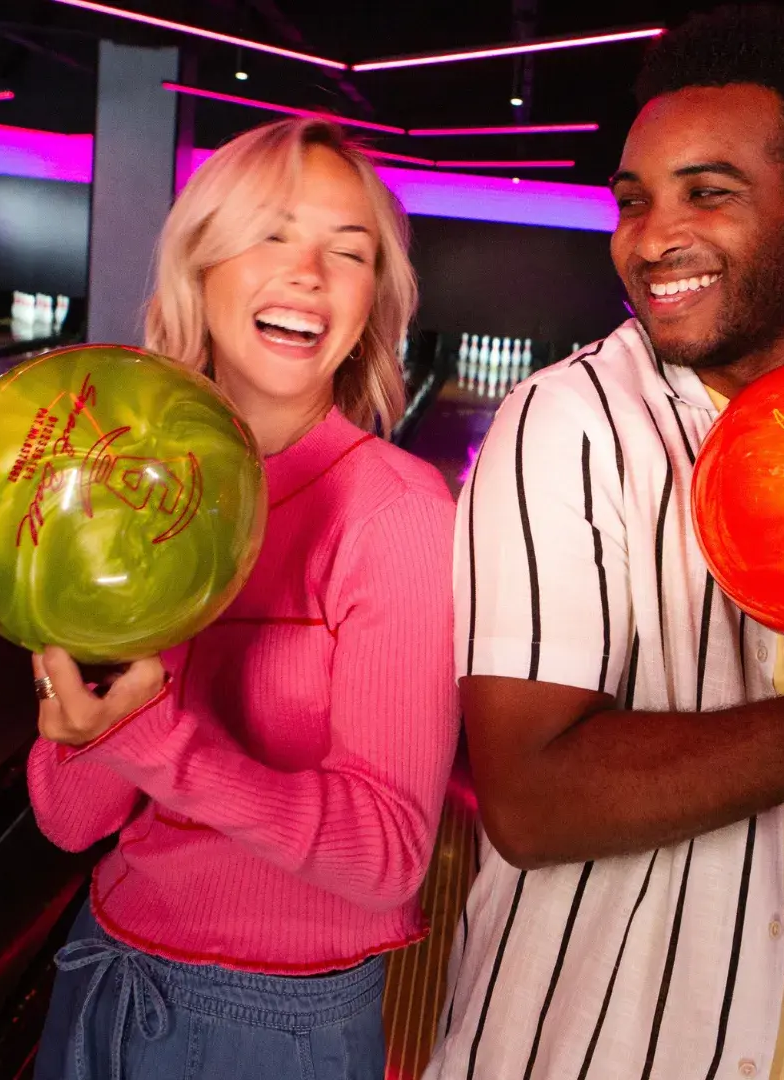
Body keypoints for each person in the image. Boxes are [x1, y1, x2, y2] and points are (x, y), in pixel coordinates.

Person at [425, 8, 784, 1080]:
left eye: (709, 191)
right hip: (603, 1048)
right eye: (635, 199)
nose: (650, 238)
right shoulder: (566, 423)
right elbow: (532, 799)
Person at [27, 118, 459, 1080]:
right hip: (105, 963)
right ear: (201, 267)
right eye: (272, 232)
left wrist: (150, 738)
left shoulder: (395, 514)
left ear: (370, 301)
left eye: (348, 252)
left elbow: (389, 856)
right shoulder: (126, 493)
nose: (308, 270)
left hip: (272, 1025)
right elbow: (68, 816)